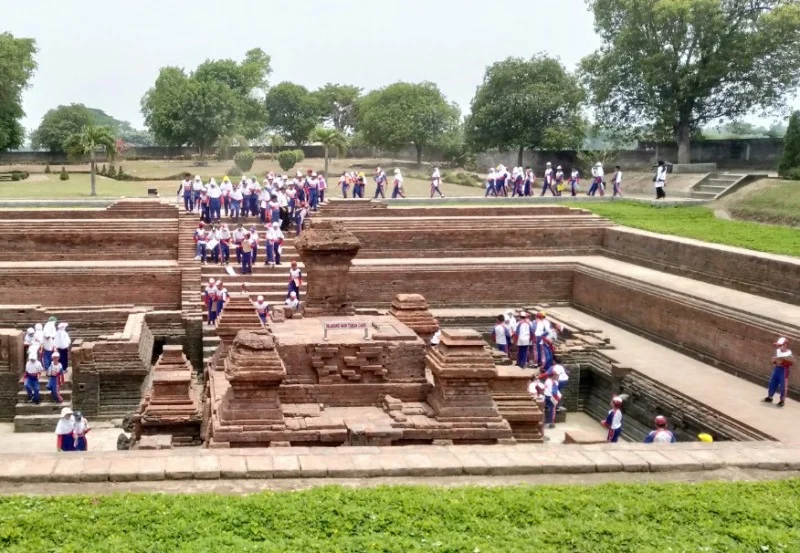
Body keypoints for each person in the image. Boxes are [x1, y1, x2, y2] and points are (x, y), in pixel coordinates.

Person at [763, 337, 794, 407]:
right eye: (778, 345)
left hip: (784, 370)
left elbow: (790, 363)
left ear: (785, 345)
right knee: (772, 382)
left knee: (783, 385)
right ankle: (770, 397)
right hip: (777, 368)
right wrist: (774, 361)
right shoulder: (778, 351)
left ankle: (782, 400)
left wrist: (783, 363)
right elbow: (776, 360)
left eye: (780, 345)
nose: (778, 347)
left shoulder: (789, 354)